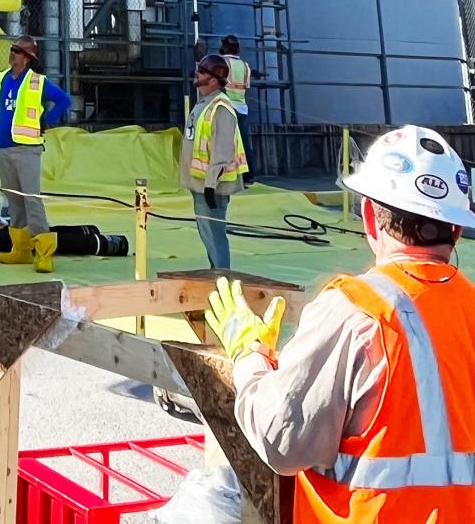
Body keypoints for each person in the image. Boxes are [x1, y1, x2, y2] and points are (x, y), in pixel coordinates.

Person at [206, 125, 475, 522]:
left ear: (369, 216)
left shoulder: (355, 312)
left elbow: (283, 439)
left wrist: (249, 353)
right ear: (455, 228)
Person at [0, 35, 71, 274]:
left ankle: (44, 252)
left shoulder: (37, 82)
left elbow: (63, 100)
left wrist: (45, 121)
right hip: (4, 148)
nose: (12, 54)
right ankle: (21, 250)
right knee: (14, 200)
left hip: (26, 149)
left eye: (17, 51)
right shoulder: (0, 79)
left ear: (27, 58)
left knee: (31, 199)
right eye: (12, 49)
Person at [180, 52, 248, 268]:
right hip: (201, 184)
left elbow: (223, 151)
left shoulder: (221, 109)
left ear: (212, 80)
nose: (196, 74)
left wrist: (210, 185)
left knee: (215, 236)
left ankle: (222, 275)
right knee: (208, 234)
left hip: (212, 187)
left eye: (201, 71)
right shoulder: (206, 104)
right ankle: (216, 273)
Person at [220, 33, 255, 184]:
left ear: (226, 47)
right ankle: (248, 175)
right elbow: (245, 87)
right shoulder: (245, 66)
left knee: (224, 142)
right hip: (242, 108)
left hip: (226, 107)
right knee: (244, 143)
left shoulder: (222, 63)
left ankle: (226, 175)